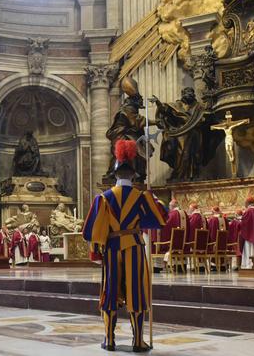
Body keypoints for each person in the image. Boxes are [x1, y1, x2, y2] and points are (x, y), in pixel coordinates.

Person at [83, 140, 166, 352]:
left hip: (111, 248)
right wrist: (154, 200)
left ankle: (109, 339)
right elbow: (159, 220)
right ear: (134, 175)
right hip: (135, 247)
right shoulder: (142, 197)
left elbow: (91, 231)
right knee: (136, 292)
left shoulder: (103, 198)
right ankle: (138, 340)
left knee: (110, 291)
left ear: (115, 174)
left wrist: (98, 249)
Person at [159, 199, 188, 271]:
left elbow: (167, 226)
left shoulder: (172, 214)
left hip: (173, 245)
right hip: (183, 244)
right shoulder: (184, 213)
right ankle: (182, 265)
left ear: (172, 206)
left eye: (169, 206)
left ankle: (174, 265)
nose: (169, 208)